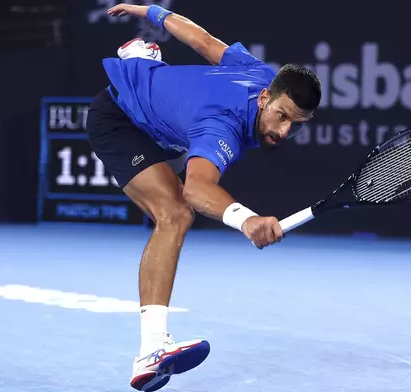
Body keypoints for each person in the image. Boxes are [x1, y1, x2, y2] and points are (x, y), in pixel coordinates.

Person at [85, 3, 322, 391]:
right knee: (175, 214)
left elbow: (202, 40)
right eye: (281, 116)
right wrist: (246, 220)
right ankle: (151, 349)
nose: (283, 131)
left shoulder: (262, 75)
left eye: (295, 126)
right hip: (120, 118)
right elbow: (196, 190)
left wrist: (151, 11)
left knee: (178, 172)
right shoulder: (222, 126)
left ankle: (144, 59)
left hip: (166, 123)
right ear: (265, 98)